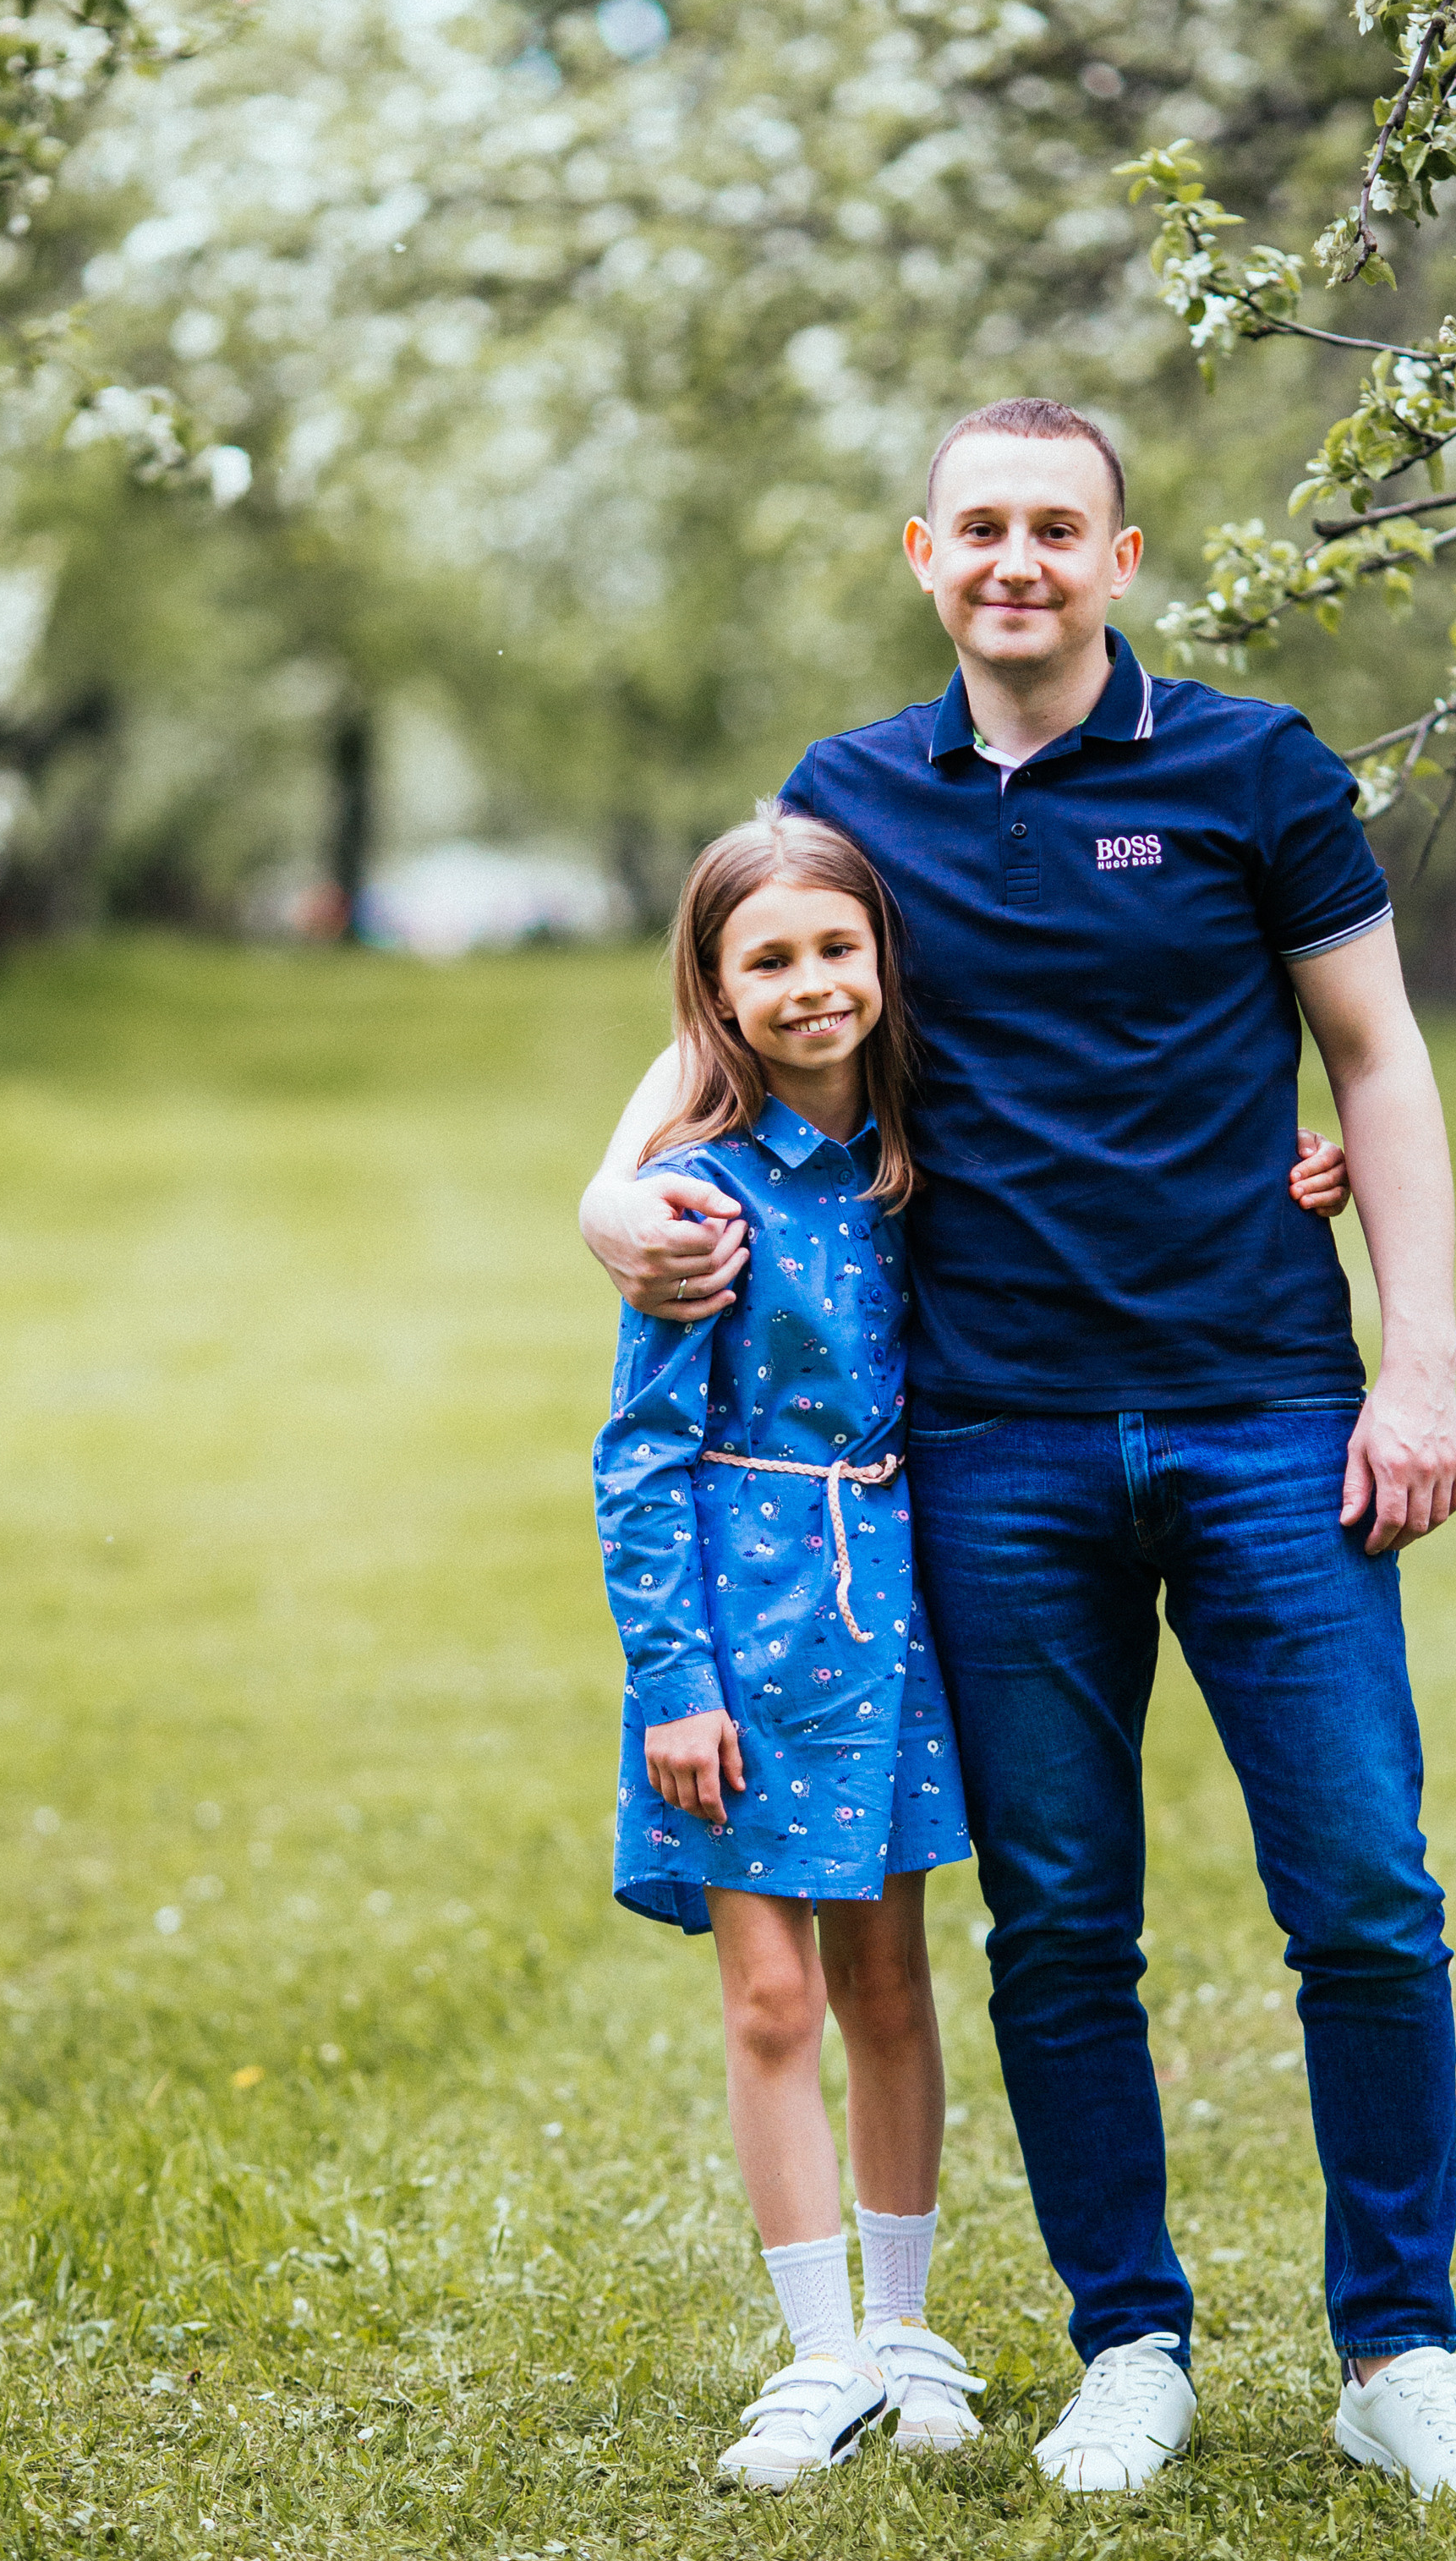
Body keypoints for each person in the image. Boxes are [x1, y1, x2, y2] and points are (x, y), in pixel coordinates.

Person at [582, 398, 1456, 2505]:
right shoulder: (850, 798)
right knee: (1061, 1925)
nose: (1017, 559)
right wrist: (603, 1201)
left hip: (1268, 1415)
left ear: (1121, 559)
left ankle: (1401, 2350)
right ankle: (1132, 2344)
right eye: (981, 527)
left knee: (1365, 1895)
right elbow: (721, 1010)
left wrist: (1421, 1364)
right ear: (923, 556)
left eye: (1057, 526)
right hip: (986, 1445)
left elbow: (1378, 1059)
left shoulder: (1258, 773)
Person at [594, 811, 979, 2491]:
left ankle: (904, 2328)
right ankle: (821, 2351)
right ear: (716, 989)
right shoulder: (696, 1199)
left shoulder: (922, 1155)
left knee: (889, 1980)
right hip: (743, 1647)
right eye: (771, 959)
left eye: (838, 947)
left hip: (889, 1620)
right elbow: (637, 1461)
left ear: (882, 959)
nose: (813, 983)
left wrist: (1289, 1176)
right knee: (771, 1998)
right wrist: (674, 1687)